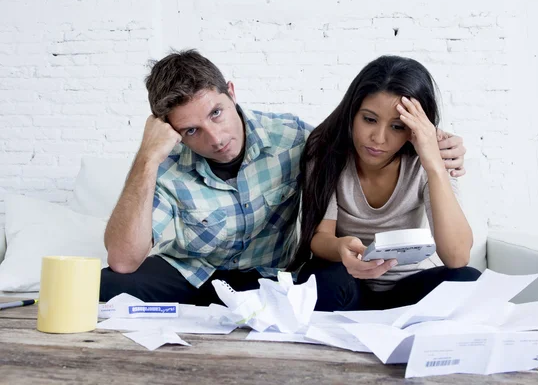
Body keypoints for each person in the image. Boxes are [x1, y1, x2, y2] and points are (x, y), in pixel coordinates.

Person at [100, 49, 469, 306]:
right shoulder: (165, 162)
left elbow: (456, 256)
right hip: (192, 273)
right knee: (104, 285)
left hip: (267, 277)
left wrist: (437, 153)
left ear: (231, 92)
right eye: (191, 130)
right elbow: (123, 260)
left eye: (216, 113)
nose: (215, 138)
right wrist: (146, 159)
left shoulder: (291, 137)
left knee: (465, 281)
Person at [292, 55, 481, 311]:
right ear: (352, 113)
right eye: (369, 119)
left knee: (468, 280)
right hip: (348, 282)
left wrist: (434, 165)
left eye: (396, 126)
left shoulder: (430, 157)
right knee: (318, 279)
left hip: (407, 288)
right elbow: (320, 237)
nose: (378, 138)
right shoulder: (327, 150)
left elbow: (457, 257)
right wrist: (340, 248)